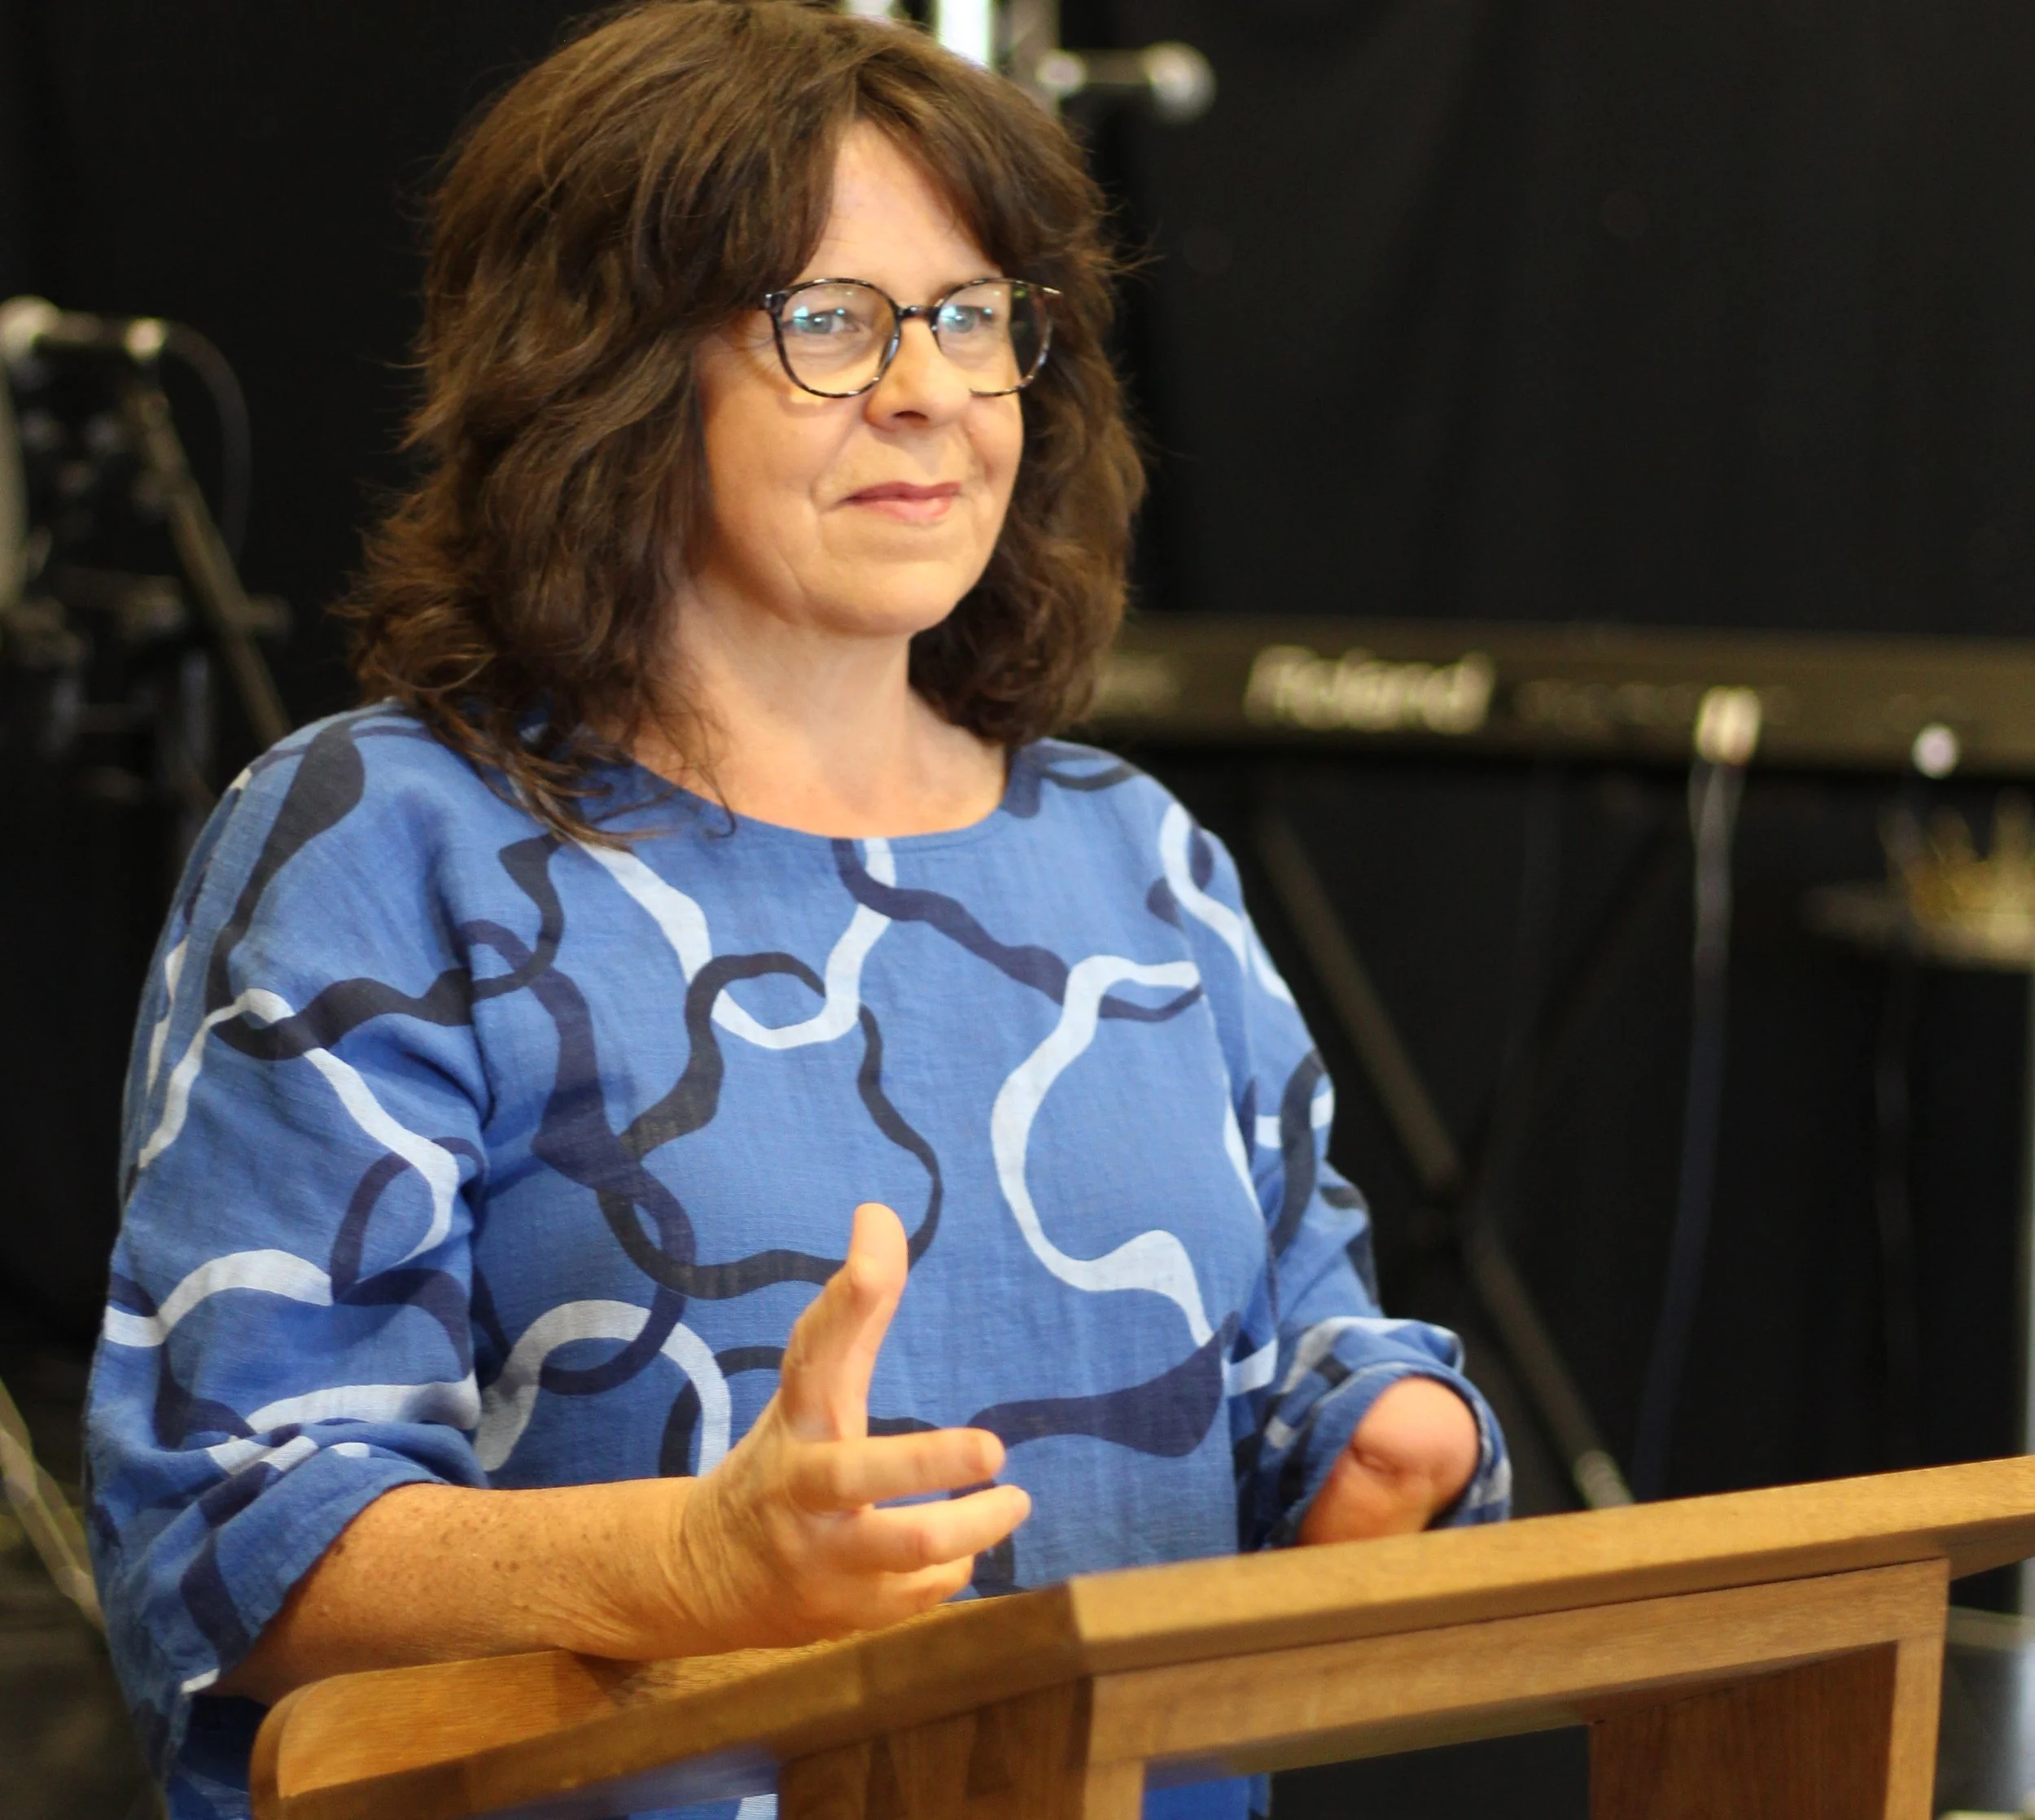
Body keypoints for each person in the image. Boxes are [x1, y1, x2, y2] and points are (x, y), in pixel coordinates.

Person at [84, 6, 1511, 1818]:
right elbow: (228, 1528)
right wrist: (689, 1559)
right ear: (600, 363)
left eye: (974, 314)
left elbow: (1308, 1363)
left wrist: (1388, 1447)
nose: (926, 387)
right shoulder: (385, 839)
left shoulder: (1134, 859)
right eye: (827, 320)